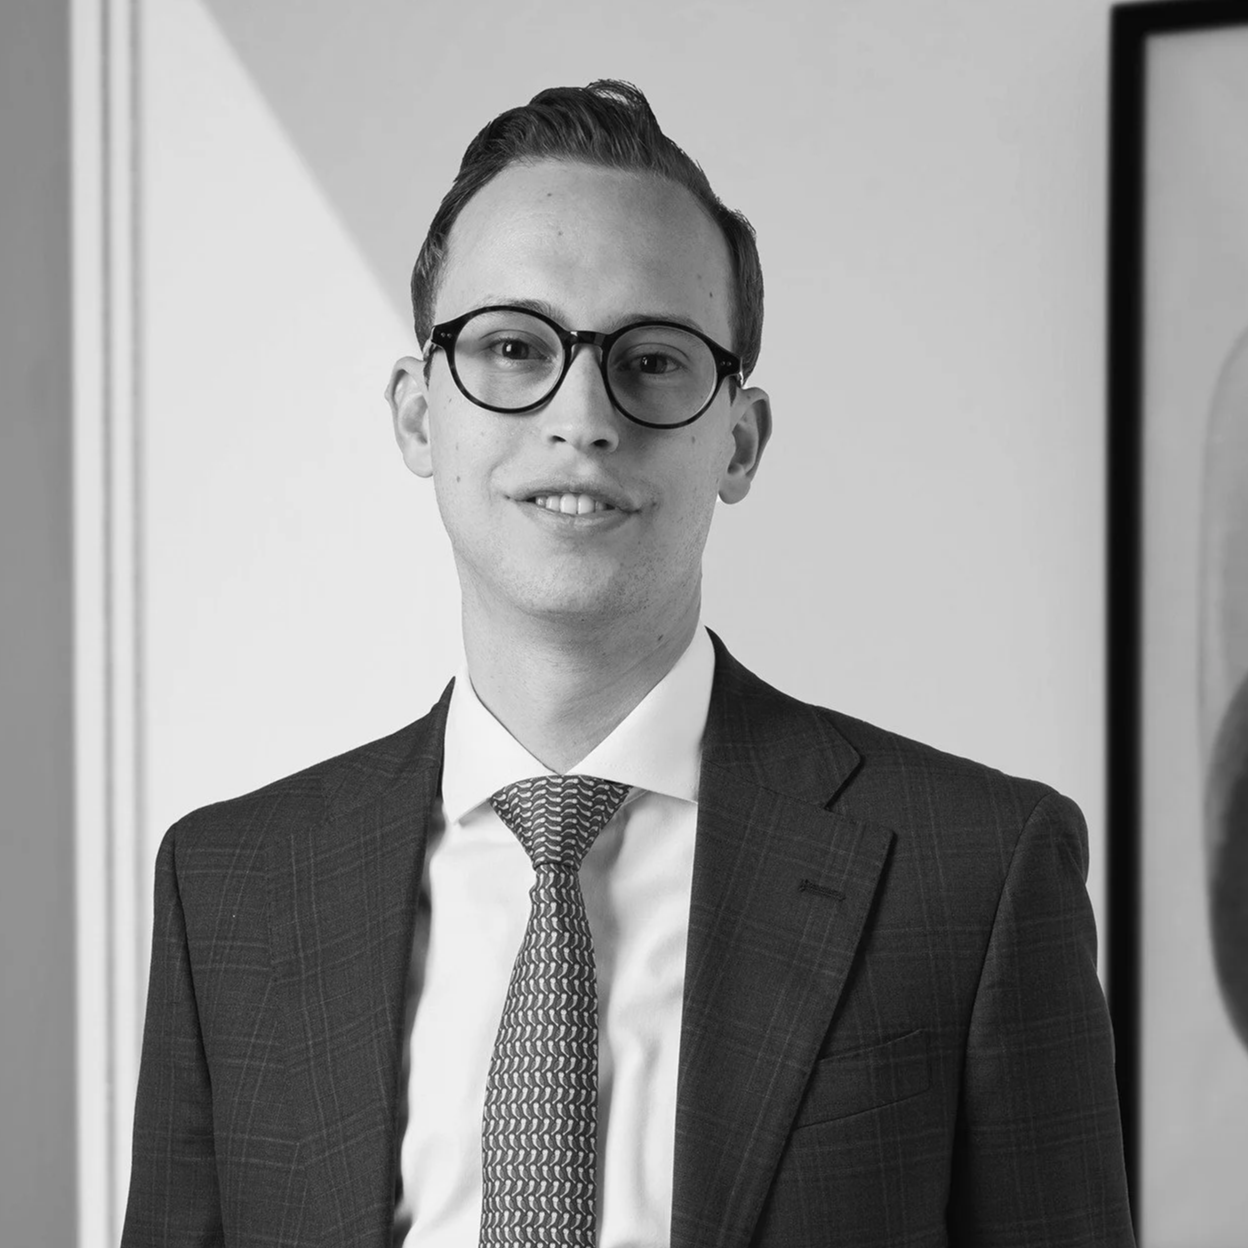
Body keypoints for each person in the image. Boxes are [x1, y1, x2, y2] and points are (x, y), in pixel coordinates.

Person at [122, 80, 1136, 1247]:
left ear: (739, 441)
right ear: (417, 415)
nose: (584, 417)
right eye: (512, 347)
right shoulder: (231, 891)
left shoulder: (976, 877)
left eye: (652, 362)